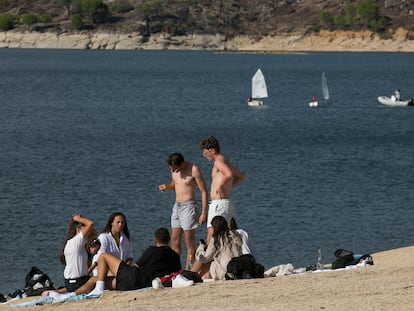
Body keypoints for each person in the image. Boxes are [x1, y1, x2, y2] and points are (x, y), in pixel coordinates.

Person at [50, 228, 181, 297]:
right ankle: (69, 293)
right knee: (98, 279)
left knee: (103, 258)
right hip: (142, 285)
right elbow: (175, 274)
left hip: (134, 277)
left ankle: (71, 294)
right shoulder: (175, 256)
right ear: (169, 239)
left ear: (155, 240)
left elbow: (136, 266)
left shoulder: (152, 250)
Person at [159, 152, 208, 269]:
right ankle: (174, 269)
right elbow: (174, 185)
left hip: (189, 207)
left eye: (175, 169)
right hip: (177, 207)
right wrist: (166, 187)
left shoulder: (194, 169)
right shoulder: (174, 170)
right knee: (174, 241)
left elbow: (204, 191)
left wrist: (203, 213)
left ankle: (189, 269)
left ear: (181, 164)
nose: (174, 171)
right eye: (172, 169)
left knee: (189, 242)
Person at [199, 136, 244, 243]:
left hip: (219, 204)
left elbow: (228, 174)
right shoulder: (225, 160)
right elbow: (240, 176)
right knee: (222, 234)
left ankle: (208, 258)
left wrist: (221, 187)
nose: (204, 155)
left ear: (212, 151)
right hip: (225, 203)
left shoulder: (218, 161)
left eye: (205, 152)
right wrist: (228, 187)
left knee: (211, 233)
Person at [192, 216, 243, 281]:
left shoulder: (217, 238)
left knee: (205, 258)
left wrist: (201, 248)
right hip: (238, 268)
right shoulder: (235, 234)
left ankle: (193, 276)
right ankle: (196, 276)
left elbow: (206, 258)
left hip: (225, 271)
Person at [60, 214, 95, 292]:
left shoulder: (74, 242)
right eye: (85, 229)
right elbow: (90, 224)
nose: (88, 232)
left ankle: (58, 291)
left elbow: (94, 234)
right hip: (77, 282)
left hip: (72, 282)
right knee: (98, 279)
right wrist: (78, 219)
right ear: (78, 230)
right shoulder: (77, 241)